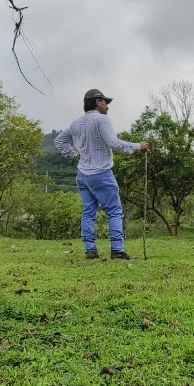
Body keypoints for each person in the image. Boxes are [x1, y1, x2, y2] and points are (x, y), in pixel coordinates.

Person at [55, 89, 150, 260]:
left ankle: (90, 250)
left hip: (82, 175)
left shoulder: (76, 123)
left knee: (88, 212)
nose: (107, 106)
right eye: (105, 102)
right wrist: (138, 146)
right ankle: (117, 250)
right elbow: (113, 142)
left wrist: (74, 155)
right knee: (114, 211)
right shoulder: (101, 119)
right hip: (101, 173)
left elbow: (59, 140)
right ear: (98, 102)